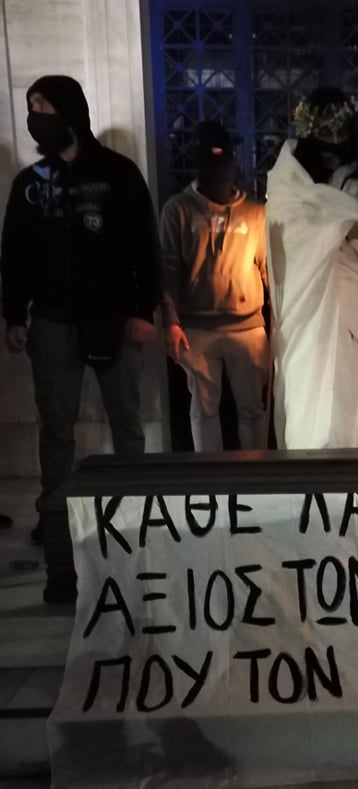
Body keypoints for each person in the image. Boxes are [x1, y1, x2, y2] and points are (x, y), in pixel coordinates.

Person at [2, 76, 161, 604]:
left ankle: (135, 528)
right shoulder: (30, 183)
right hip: (51, 321)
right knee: (56, 432)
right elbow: (14, 254)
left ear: (69, 111)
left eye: (43, 106)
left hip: (114, 317)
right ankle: (60, 552)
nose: (35, 116)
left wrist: (143, 310)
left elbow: (143, 245)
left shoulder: (118, 173)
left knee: (126, 426)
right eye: (30, 107)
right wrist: (14, 316)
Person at [266, 86, 358, 449]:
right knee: (310, 371)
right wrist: (351, 228)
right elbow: (289, 227)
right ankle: (310, 457)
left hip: (354, 288)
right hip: (308, 293)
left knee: (351, 374)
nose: (335, 140)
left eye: (342, 131)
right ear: (310, 131)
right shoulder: (290, 175)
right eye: (326, 133)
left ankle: (356, 454)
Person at [160, 121, 270, 452]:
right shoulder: (178, 209)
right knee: (204, 409)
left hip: (248, 326)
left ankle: (256, 473)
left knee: (252, 409)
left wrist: (278, 320)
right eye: (211, 155)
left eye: (225, 155)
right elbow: (168, 268)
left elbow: (267, 269)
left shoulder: (255, 212)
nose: (220, 164)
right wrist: (171, 320)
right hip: (196, 327)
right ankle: (210, 476)